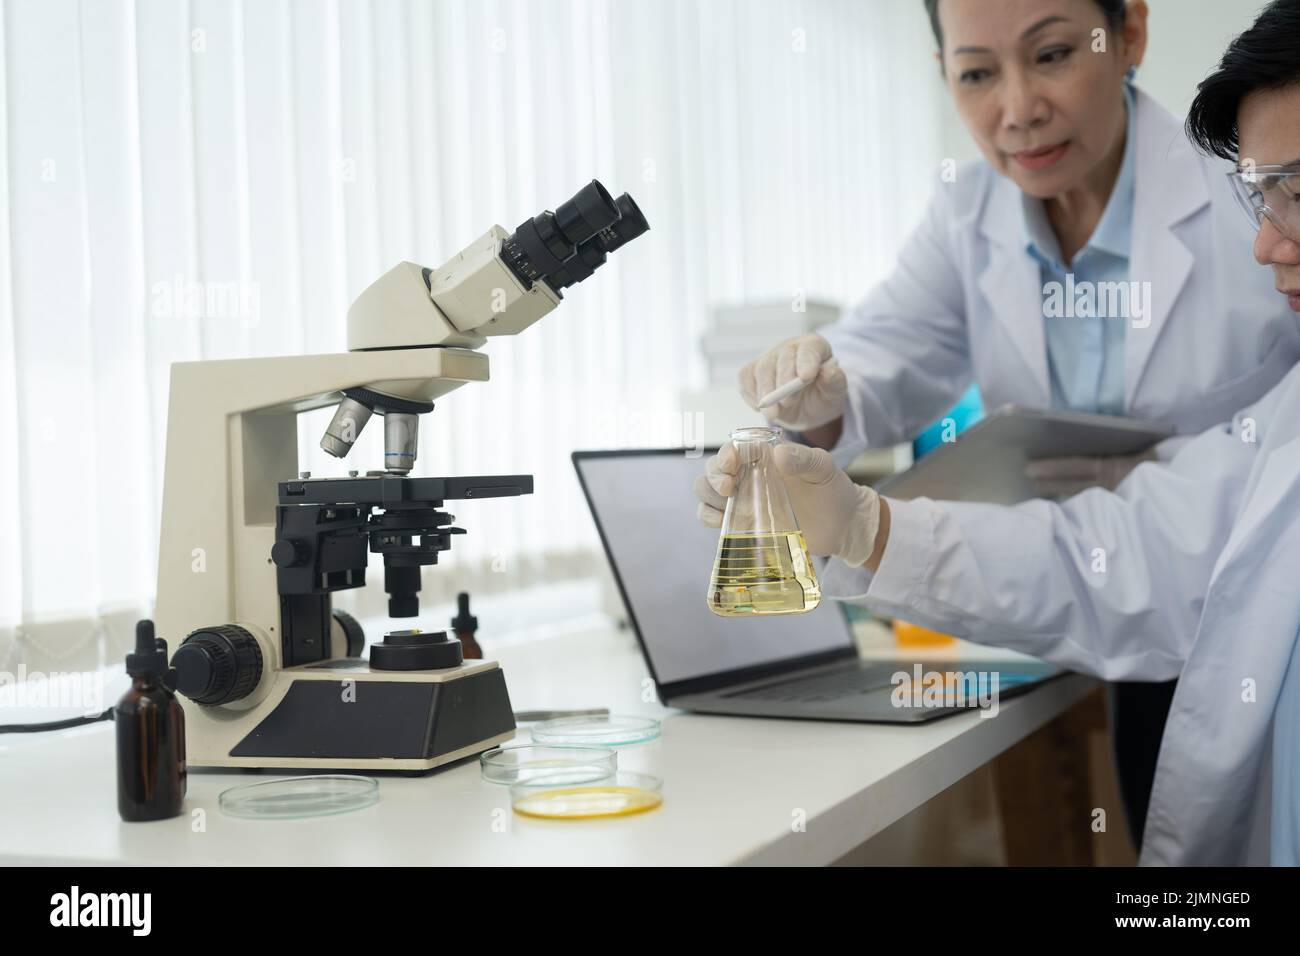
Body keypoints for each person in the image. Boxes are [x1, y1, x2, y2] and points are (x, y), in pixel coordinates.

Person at [698, 0, 1300, 865]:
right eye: (977, 73)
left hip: (1230, 594)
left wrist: (868, 531)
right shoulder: (968, 212)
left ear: (1128, 32)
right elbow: (889, 348)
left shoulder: (1244, 186)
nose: (1016, 109)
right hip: (1081, 578)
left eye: (1052, 54)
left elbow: (1203, 519)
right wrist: (815, 401)